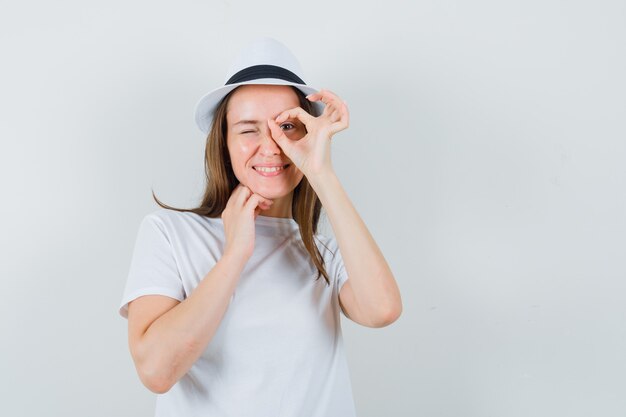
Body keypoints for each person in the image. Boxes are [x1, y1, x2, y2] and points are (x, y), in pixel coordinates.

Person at [119, 37, 402, 417]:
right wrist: (235, 253)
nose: (270, 147)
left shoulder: (325, 256)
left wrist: (321, 172)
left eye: (287, 126)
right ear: (224, 142)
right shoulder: (170, 233)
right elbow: (156, 370)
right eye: (248, 129)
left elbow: (382, 309)